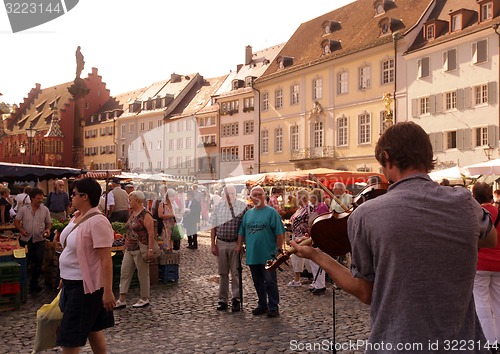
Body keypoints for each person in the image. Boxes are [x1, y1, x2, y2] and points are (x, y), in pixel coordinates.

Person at [291, 121, 497, 352]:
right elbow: (491, 240)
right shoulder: (464, 202)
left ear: (387, 158)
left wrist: (317, 256)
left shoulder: (367, 214)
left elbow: (364, 291)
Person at [56, 177, 115, 353]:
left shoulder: (98, 221)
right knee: (93, 329)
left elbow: (106, 259)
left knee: (70, 337)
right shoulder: (77, 217)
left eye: (73, 194)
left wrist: (108, 291)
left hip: (85, 287)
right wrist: (63, 276)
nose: (70, 197)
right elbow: (72, 252)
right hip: (71, 282)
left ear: (85, 197)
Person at [236, 186, 285, 318]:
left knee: (270, 281)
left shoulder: (271, 212)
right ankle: (262, 304)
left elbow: (279, 233)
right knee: (257, 281)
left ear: (264, 196)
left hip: (268, 254)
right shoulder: (248, 214)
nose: (257, 197)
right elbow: (242, 231)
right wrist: (239, 245)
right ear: (251, 198)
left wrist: (279, 249)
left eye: (260, 194)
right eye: (254, 195)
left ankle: (273, 306)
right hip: (253, 254)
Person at [115, 191, 156, 309]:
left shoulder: (145, 214)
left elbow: (151, 233)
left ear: (138, 200)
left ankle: (144, 298)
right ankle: (122, 298)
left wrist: (150, 249)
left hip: (140, 248)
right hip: (129, 248)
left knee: (142, 274)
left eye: (130, 200)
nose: (129, 202)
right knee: (125, 272)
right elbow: (128, 230)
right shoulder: (132, 213)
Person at [210, 184, 247, 312]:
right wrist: (213, 244)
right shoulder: (218, 207)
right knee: (223, 273)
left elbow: (244, 228)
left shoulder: (242, 207)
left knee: (236, 273)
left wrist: (240, 244)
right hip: (221, 243)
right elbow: (213, 226)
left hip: (235, 244)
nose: (229, 196)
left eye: (231, 193)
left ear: (235, 194)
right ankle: (222, 300)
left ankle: (236, 299)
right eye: (226, 194)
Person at [472, 182, 500, 346]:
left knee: (481, 302)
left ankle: (489, 341)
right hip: (499, 263)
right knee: (498, 302)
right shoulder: (498, 211)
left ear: (474, 196)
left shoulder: (477, 213)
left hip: (480, 263)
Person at [14, 188, 52, 293]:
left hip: (39, 240)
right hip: (25, 240)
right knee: (25, 262)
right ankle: (22, 285)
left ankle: (34, 284)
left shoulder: (45, 210)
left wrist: (48, 229)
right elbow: (16, 221)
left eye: (41, 198)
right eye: (38, 198)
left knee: (38, 263)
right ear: (32, 198)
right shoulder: (24, 209)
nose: (40, 200)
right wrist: (21, 230)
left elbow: (49, 222)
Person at [287, 189, 313, 287]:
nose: (296, 199)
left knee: (308, 258)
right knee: (296, 258)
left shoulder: (309, 208)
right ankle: (297, 279)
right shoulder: (300, 208)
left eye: (298, 197)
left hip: (304, 236)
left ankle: (316, 280)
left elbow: (309, 222)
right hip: (296, 235)